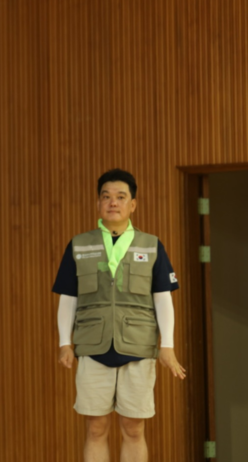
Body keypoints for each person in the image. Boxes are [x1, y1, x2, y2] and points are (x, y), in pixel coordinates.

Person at [53, 169, 186, 462]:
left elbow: (163, 298)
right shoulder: (79, 245)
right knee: (95, 428)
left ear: (132, 204)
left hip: (138, 347)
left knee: (134, 428)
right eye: (106, 196)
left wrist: (167, 346)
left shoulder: (151, 245)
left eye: (120, 197)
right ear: (98, 203)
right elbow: (68, 297)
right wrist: (65, 343)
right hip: (93, 346)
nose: (113, 202)